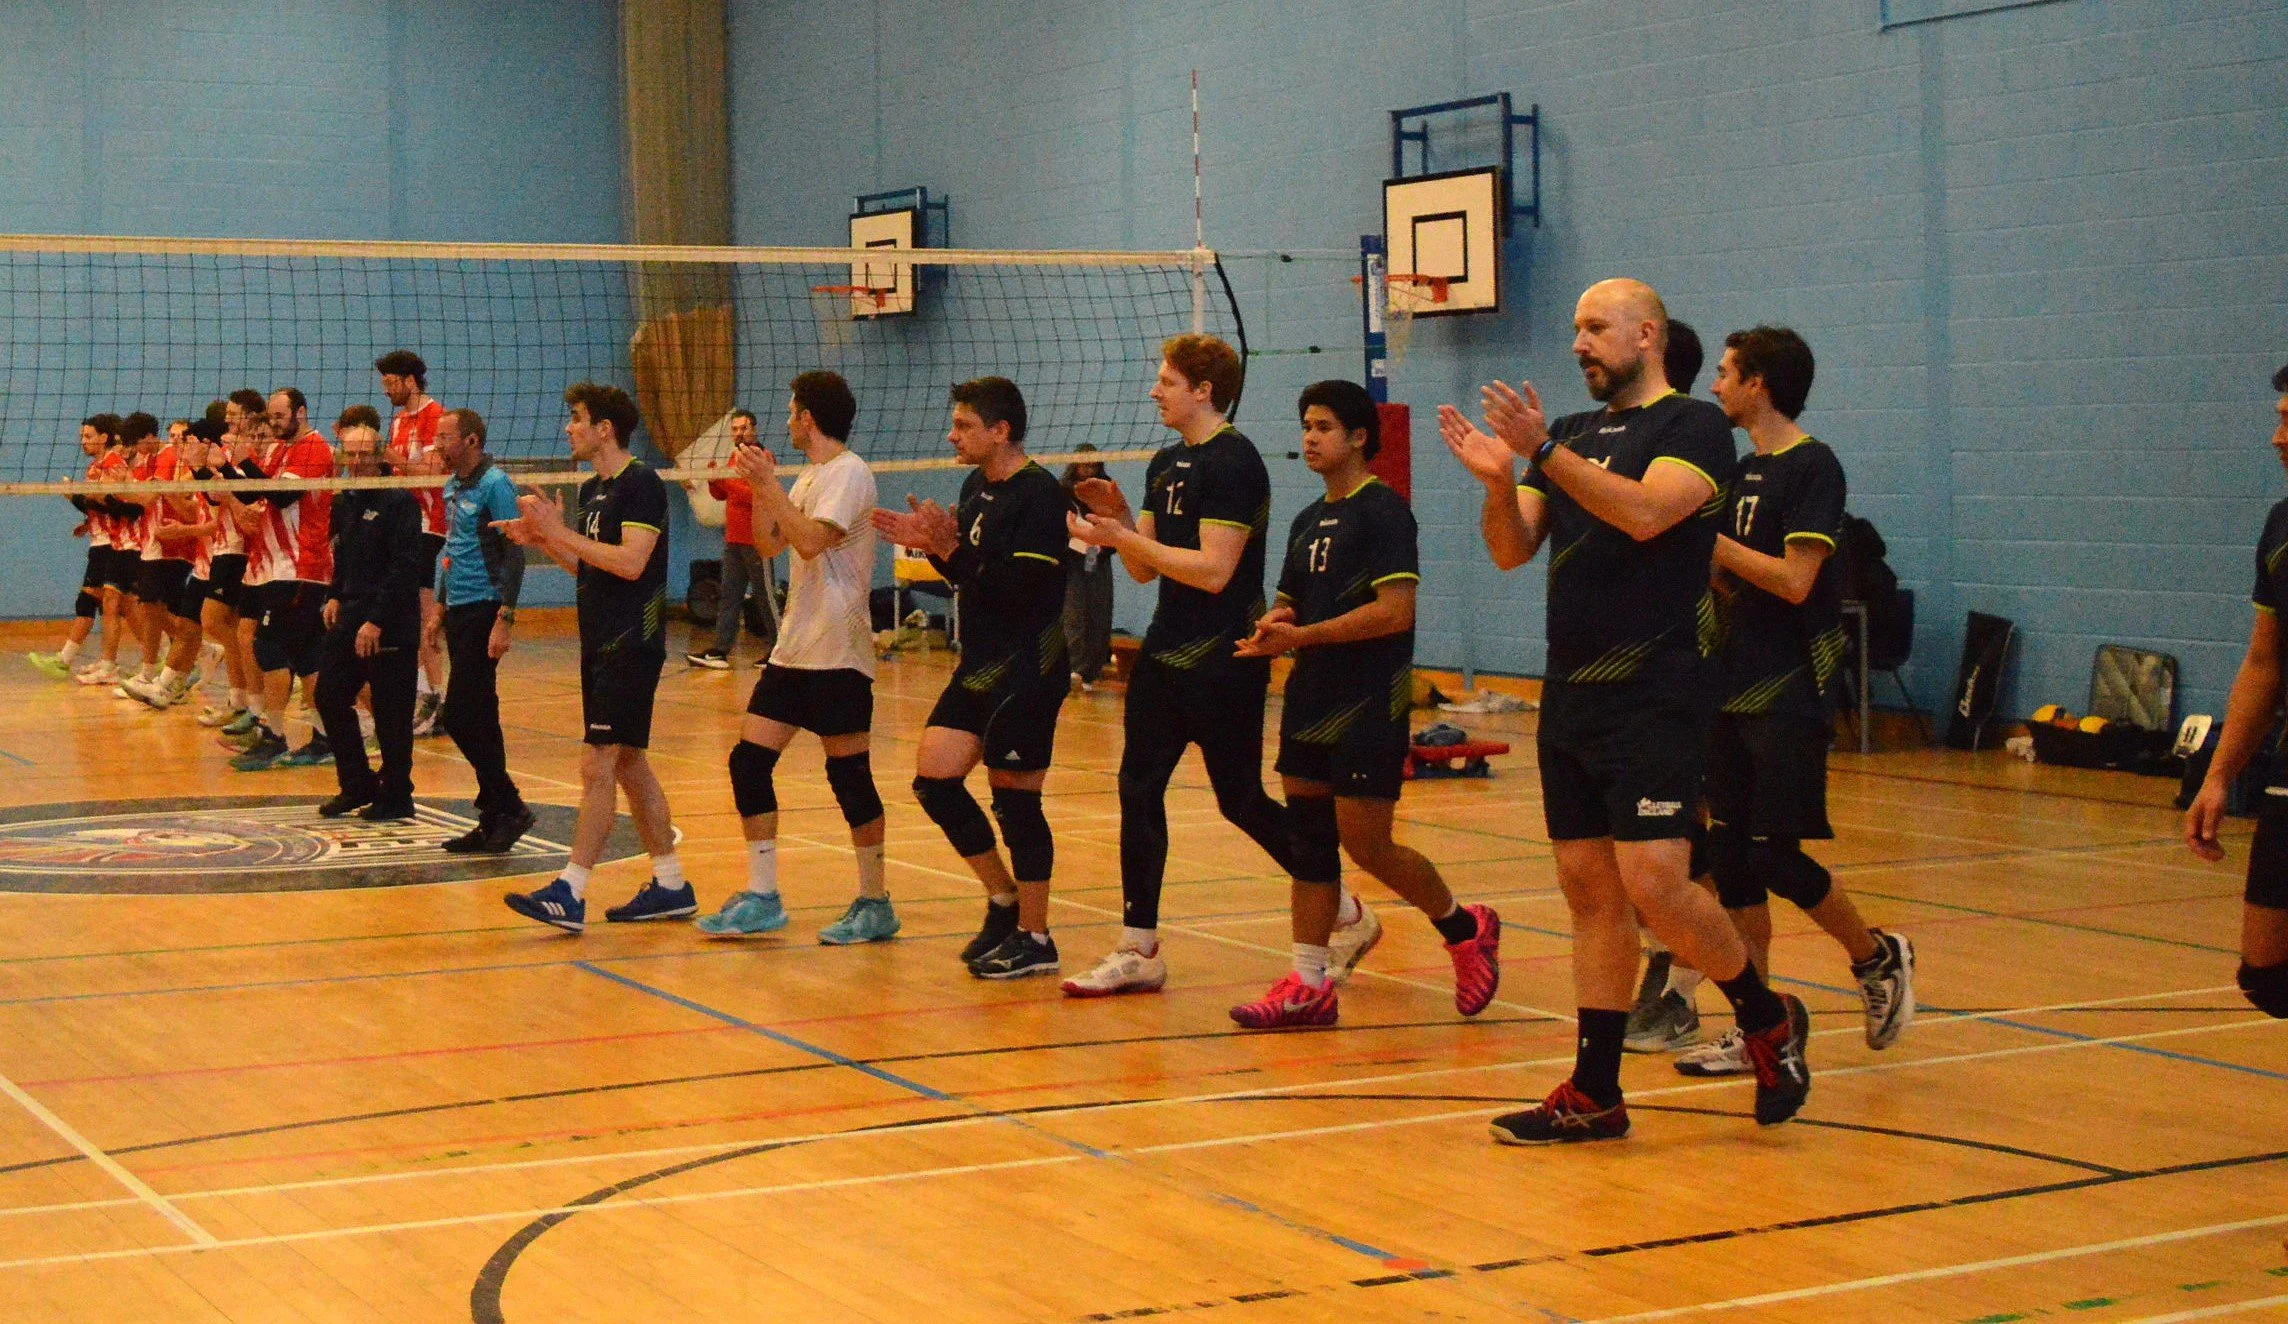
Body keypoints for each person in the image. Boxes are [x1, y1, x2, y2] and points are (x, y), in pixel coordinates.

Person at [1437, 277, 1811, 1142]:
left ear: (1646, 335)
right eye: (1574, 328)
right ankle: (1596, 1090)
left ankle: (1766, 1015)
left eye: (1595, 328)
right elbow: (1511, 551)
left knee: (1656, 885)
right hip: (1571, 690)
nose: (1578, 344)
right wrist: (1500, 481)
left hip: (1658, 688)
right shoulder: (1565, 436)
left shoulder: (1690, 427)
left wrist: (1540, 456)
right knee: (1588, 890)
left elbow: (1648, 515)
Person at [1637, 327, 1915, 1076]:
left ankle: (1875, 954)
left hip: (1789, 687)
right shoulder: (1739, 469)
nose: (1716, 385)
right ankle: (1760, 1027)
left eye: (1727, 373)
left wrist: (1710, 545)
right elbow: (1728, 578)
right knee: (1732, 864)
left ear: (1760, 382)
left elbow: (1795, 580)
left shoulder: (1812, 466)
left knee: (1773, 854)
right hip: (1726, 686)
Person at [1063, 333, 1373, 997]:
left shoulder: (1235, 463)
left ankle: (1342, 908)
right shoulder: (1163, 461)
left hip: (1224, 657)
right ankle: (1138, 946)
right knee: (1137, 789)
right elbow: (1146, 571)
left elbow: (1214, 571)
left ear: (1204, 390)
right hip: (1164, 652)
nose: (1156, 390)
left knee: (1239, 800)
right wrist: (1119, 524)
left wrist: (1124, 535)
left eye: (1168, 381)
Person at [1226, 380, 1503, 1028]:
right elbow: (1293, 602)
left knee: (1368, 844)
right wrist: (1274, 629)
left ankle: (1465, 927)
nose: (1310, 438)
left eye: (1323, 426)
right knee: (1309, 843)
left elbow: (1394, 611)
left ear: (1357, 437)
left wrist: (1307, 636)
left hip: (1367, 702)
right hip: (1309, 697)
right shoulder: (1306, 520)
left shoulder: (1384, 512)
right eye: (1305, 426)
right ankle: (1308, 982)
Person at [873, 377, 1070, 978]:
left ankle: (1036, 939)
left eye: (963, 426)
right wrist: (932, 549)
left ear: (1000, 431)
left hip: (1027, 665)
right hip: (980, 663)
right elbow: (970, 579)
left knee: (1016, 801)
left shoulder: (1038, 496)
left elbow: (1018, 591)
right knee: (934, 780)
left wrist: (947, 549)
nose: (952, 436)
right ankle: (1004, 899)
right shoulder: (975, 485)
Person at [694, 371, 894, 944]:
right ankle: (762, 895)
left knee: (850, 778)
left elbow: (810, 541)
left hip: (839, 652)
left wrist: (772, 487)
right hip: (794, 650)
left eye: (790, 410)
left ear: (808, 417)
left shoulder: (849, 473)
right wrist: (761, 487)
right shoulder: (808, 476)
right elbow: (769, 543)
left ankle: (875, 902)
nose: (785, 419)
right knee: (748, 763)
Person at [499, 382, 686, 932]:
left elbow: (631, 563)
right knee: (628, 763)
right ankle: (672, 884)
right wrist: (545, 541)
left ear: (606, 428)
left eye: (577, 418)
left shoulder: (642, 484)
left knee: (596, 763)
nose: (568, 428)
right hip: (599, 639)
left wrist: (560, 532)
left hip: (631, 640)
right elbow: (591, 567)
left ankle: (571, 891)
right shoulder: (594, 489)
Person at [2183, 360, 2288, 1023]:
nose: (2277, 438)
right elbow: (2264, 662)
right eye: (2279, 421)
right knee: (2267, 975)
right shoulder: (2281, 526)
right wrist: (2219, 774)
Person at [313, 407, 426, 820]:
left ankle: (397, 794)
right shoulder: (345, 501)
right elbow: (343, 559)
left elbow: (404, 569)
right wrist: (334, 596)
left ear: (380, 455)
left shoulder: (400, 503)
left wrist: (375, 619)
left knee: (392, 713)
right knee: (328, 696)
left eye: (364, 454)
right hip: (351, 613)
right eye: (350, 454)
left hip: (390, 620)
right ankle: (357, 784)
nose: (357, 461)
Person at [429, 406, 533, 853]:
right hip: (459, 608)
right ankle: (495, 818)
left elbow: (516, 553)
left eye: (445, 436)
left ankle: (509, 805)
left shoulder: (496, 485)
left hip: (485, 607)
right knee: (482, 717)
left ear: (471, 440)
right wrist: (438, 605)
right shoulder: (453, 484)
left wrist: (504, 617)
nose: (437, 443)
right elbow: (452, 548)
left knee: (458, 715)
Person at [224, 389, 336, 771]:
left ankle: (275, 737)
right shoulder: (285, 450)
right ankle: (324, 737)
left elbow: (285, 495)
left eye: (278, 415)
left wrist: (241, 462)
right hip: (278, 567)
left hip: (302, 565)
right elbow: (259, 492)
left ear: (300, 413)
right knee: (307, 655)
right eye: (270, 416)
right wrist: (220, 469)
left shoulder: (314, 448)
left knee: (270, 647)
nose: (273, 422)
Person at [377, 350, 450, 735]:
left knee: (422, 614)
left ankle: (435, 700)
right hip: (403, 523)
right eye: (384, 383)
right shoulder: (399, 420)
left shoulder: (434, 416)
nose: (387, 390)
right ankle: (424, 694)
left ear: (410, 381)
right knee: (407, 614)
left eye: (392, 383)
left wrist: (389, 457)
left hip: (429, 524)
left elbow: (436, 471)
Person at [26, 417, 120, 680]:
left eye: (89, 436)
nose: (83, 442)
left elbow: (112, 505)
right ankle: (106, 663)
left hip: (112, 543)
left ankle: (66, 660)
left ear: (104, 437)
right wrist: (88, 522)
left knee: (96, 600)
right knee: (117, 606)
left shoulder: (111, 465)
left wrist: (74, 497)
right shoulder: (96, 466)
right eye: (82, 437)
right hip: (102, 540)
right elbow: (101, 508)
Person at [124, 418, 207, 710]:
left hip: (173, 547)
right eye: (172, 436)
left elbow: (154, 501)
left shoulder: (177, 463)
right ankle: (165, 670)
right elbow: (143, 498)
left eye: (181, 436)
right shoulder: (159, 460)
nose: (175, 441)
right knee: (151, 608)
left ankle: (182, 663)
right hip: (155, 543)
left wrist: (126, 483)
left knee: (150, 607)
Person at [687, 408, 774, 669]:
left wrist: (723, 479)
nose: (739, 433)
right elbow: (723, 496)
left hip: (757, 540)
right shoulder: (734, 458)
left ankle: (780, 651)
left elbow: (754, 496)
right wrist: (715, 481)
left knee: (765, 598)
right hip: (734, 539)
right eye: (735, 429)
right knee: (729, 596)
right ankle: (720, 651)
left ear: (754, 430)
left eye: (743, 428)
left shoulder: (763, 457)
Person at [1060, 444, 1115, 689]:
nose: (1089, 469)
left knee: (1098, 609)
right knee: (1075, 611)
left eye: (1093, 465)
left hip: (1096, 554)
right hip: (1072, 557)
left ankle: (1092, 669)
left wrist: (1103, 543)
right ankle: (1074, 667)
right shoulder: (1063, 491)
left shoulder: (1106, 488)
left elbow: (1116, 521)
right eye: (1085, 464)